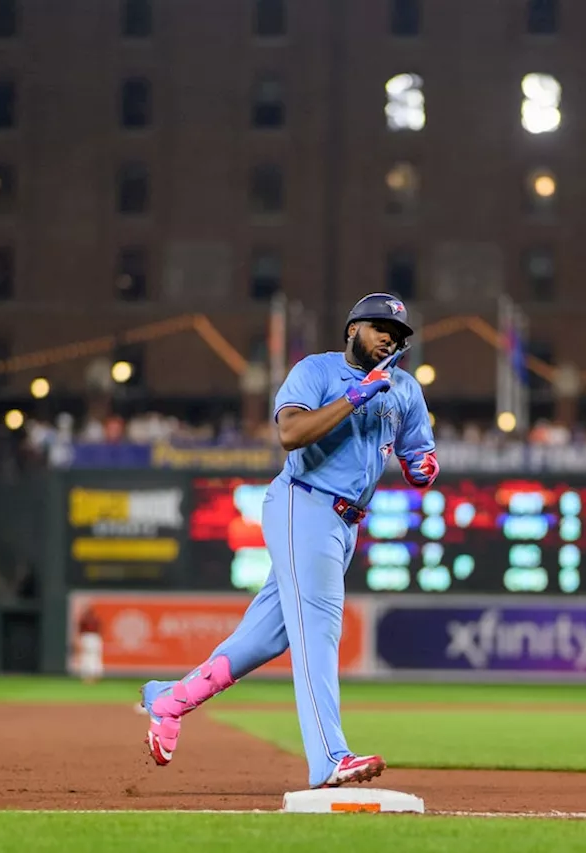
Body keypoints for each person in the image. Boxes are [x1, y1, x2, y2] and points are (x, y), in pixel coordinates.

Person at [140, 293, 438, 790]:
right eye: (379, 326)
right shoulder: (316, 372)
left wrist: (423, 466)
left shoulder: (404, 388)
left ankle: (170, 701)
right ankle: (329, 758)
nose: (390, 337)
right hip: (304, 501)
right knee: (318, 630)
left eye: (398, 333)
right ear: (351, 330)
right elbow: (290, 433)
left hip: (346, 523)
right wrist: (355, 397)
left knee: (263, 639)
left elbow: (419, 457)